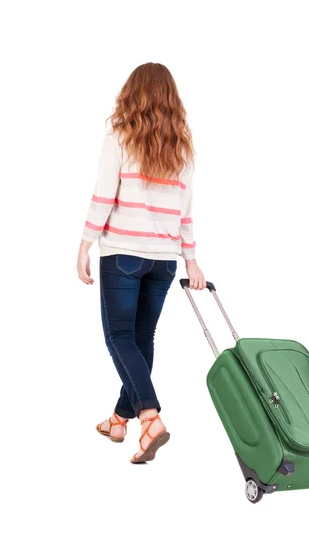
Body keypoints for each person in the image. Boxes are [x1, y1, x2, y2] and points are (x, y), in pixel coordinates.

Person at [77, 63, 206, 463]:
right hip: (163, 262)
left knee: (119, 337)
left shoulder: (119, 137)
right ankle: (119, 418)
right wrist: (192, 261)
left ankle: (149, 417)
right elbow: (185, 213)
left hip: (123, 254)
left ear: (131, 93)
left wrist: (84, 245)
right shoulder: (182, 148)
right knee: (141, 339)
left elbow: (103, 197)